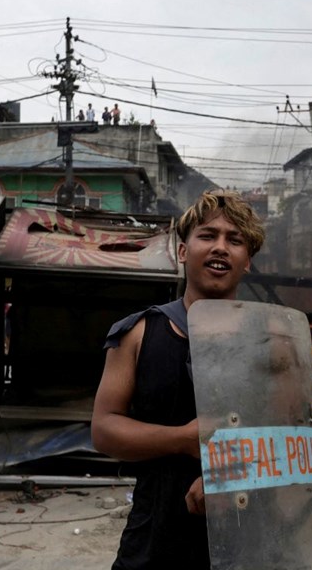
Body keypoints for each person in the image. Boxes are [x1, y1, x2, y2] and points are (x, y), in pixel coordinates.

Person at [92, 190, 265, 569]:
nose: (221, 247)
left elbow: (291, 439)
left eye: (234, 240)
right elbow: (104, 430)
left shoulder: (271, 343)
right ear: (184, 251)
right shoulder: (138, 334)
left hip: (252, 537)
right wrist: (185, 439)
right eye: (208, 235)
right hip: (156, 539)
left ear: (247, 261)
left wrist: (225, 473)